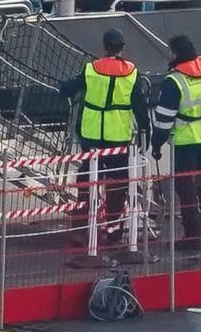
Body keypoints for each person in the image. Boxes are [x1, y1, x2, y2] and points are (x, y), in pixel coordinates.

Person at [59, 27, 150, 245]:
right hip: (118, 137)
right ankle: (113, 231)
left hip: (92, 136)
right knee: (117, 184)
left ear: (104, 46)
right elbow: (140, 107)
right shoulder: (131, 72)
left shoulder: (91, 69)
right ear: (122, 48)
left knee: (86, 180)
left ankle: (82, 230)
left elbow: (67, 89)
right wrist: (147, 132)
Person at [151, 35, 201, 250]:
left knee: (187, 189)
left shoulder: (174, 81)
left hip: (186, 144)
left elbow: (164, 118)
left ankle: (192, 237)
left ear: (174, 53)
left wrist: (156, 143)